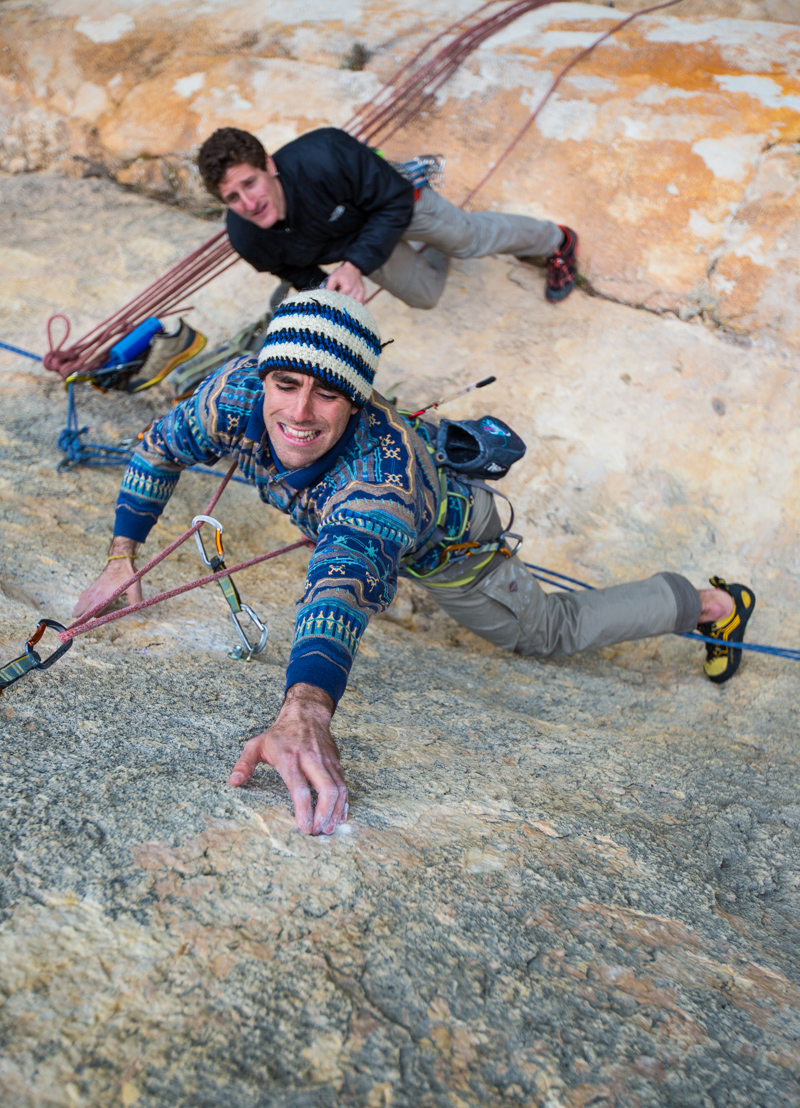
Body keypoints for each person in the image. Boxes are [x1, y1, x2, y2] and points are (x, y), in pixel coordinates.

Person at [74, 291, 756, 836]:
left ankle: (711, 605)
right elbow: (159, 446)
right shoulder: (233, 397)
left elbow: (340, 583)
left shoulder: (380, 481)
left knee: (549, 631)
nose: (299, 413)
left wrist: (306, 709)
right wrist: (120, 558)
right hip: (363, 516)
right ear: (263, 377)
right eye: (286, 384)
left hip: (454, 548)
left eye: (328, 394)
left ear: (357, 400)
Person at [196, 126, 579, 309]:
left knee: (468, 242)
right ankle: (425, 246)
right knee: (425, 296)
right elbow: (296, 272)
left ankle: (558, 240)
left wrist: (355, 265)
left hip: (391, 201)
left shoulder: (325, 154)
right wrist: (329, 299)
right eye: (233, 197)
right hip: (354, 240)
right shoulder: (247, 238)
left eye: (250, 183)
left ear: (268, 165)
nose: (249, 202)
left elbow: (394, 201)